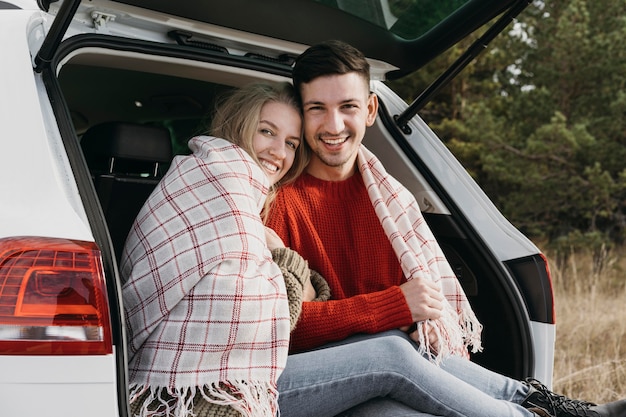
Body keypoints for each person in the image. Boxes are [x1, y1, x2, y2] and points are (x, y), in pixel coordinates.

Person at [266, 40, 626, 417]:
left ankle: (548, 405)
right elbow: (271, 330)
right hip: (312, 376)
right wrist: (395, 306)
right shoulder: (276, 205)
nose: (334, 125)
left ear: (370, 110)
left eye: (348, 107)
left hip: (380, 372)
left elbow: (416, 318)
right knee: (391, 350)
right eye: (317, 109)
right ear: (301, 115)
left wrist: (417, 322)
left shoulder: (392, 199)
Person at [120, 82, 328, 417]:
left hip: (191, 383)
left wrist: (281, 263)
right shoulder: (219, 181)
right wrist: (281, 254)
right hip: (200, 393)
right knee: (392, 359)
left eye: (291, 143)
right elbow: (274, 311)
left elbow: (298, 295)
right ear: (239, 126)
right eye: (267, 132)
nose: (279, 152)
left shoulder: (230, 186)